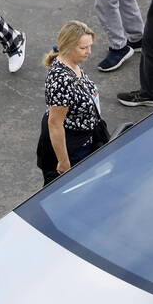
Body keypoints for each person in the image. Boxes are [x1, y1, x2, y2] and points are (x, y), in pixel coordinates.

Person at [37, 21, 109, 185]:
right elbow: (55, 124)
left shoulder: (73, 64)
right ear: (68, 47)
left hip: (86, 137)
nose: (89, 52)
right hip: (75, 148)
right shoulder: (61, 81)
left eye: (90, 46)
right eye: (83, 48)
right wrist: (64, 162)